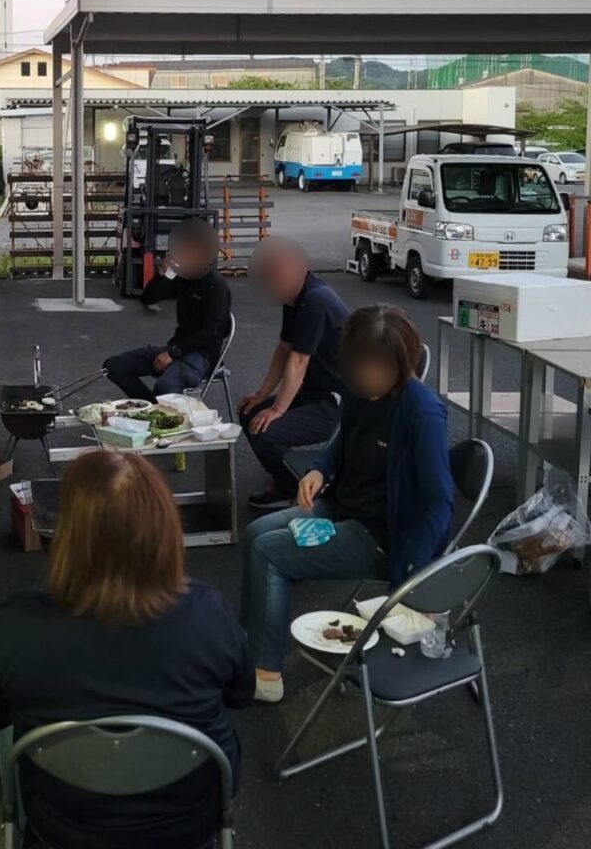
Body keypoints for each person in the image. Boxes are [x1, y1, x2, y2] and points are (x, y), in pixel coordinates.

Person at [0, 449, 253, 849]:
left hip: (63, 826)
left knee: (14, 727)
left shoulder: (14, 623)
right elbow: (240, 694)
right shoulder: (209, 611)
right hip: (188, 824)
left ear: (66, 532)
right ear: (165, 528)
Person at [239, 305, 454, 704]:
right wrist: (319, 470)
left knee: (270, 553)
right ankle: (249, 643)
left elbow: (439, 504)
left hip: (381, 538)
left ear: (397, 364)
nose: (360, 377)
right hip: (342, 507)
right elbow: (341, 445)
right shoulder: (360, 391)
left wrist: (412, 574)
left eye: (371, 369)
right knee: (255, 533)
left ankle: (266, 673)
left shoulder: (422, 413)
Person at [239, 236, 349, 509]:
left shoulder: (316, 300)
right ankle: (285, 472)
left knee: (265, 431)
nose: (270, 283)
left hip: (333, 404)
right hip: (312, 393)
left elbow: (299, 361)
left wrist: (278, 409)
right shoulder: (294, 298)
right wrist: (261, 394)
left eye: (276, 275)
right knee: (249, 412)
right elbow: (284, 349)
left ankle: (291, 487)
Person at [103, 218, 231, 400]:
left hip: (202, 356)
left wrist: (173, 354)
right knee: (113, 366)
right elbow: (148, 298)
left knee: (165, 387)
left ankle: (162, 410)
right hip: (175, 347)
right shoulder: (183, 278)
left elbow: (210, 333)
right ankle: (152, 408)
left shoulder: (216, 286)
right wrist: (164, 274)